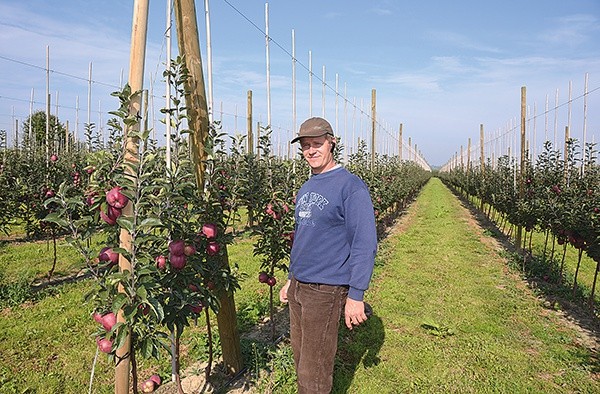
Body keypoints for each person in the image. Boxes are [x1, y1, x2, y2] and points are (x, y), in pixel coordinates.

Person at [279, 117, 378, 393]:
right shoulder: (308, 186)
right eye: (306, 145)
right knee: (301, 361)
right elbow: (303, 237)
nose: (311, 150)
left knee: (315, 372)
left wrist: (356, 294)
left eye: (317, 144)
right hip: (300, 287)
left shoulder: (350, 186)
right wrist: (291, 278)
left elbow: (364, 241)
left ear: (331, 143)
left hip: (325, 290)